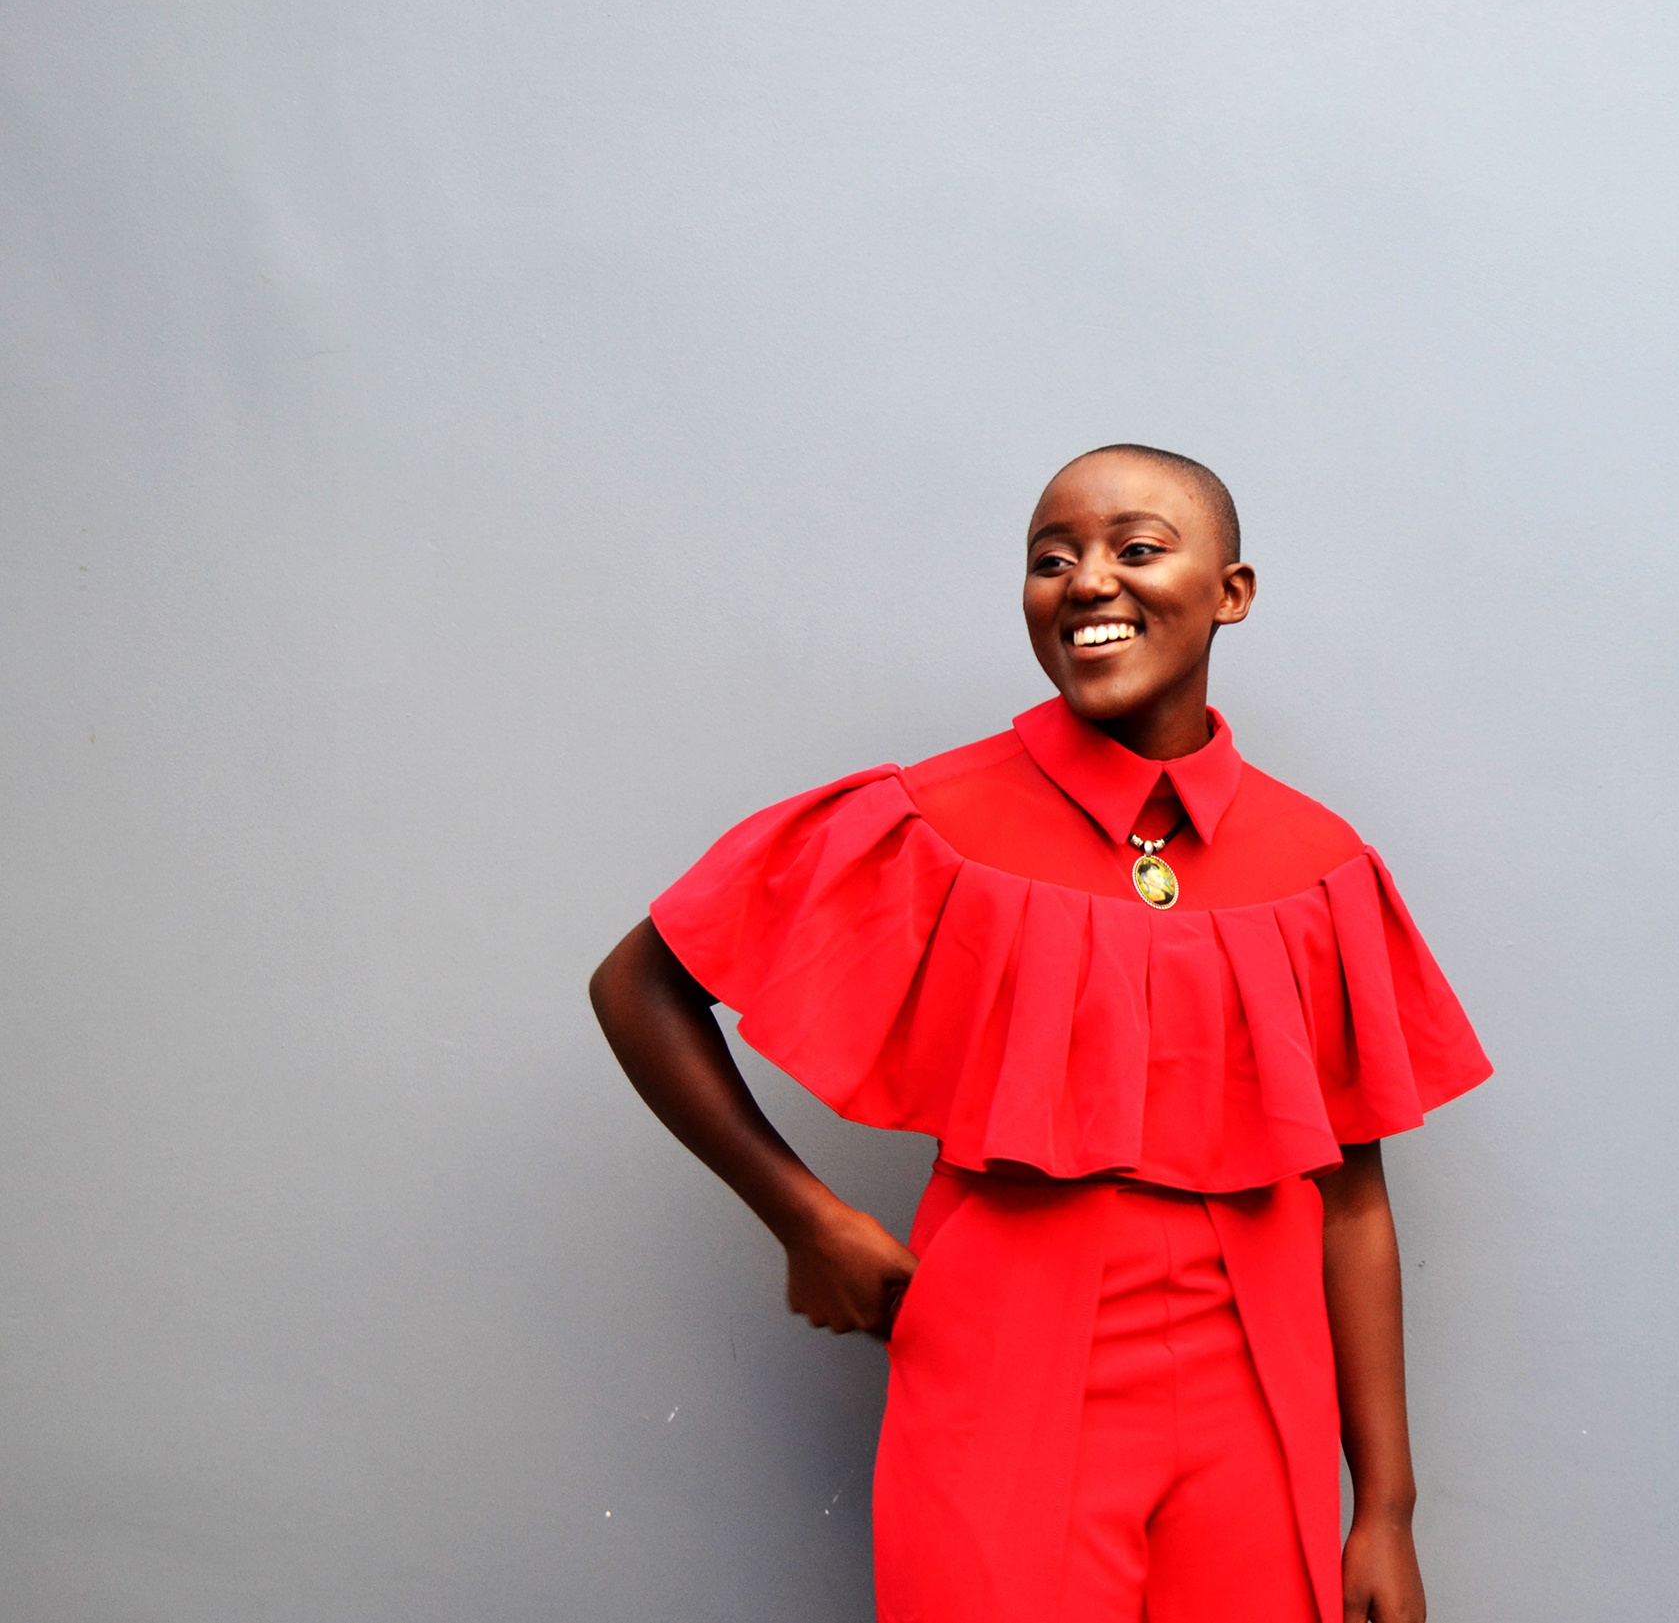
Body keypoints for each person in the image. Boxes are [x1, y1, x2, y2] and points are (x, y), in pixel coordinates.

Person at [589, 445, 1491, 1623]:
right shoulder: (931, 821)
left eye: (1137, 547)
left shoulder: (1318, 865)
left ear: (1233, 590)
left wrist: (1384, 1508)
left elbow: (1354, 1197)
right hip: (1001, 1369)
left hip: (1256, 1392)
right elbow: (639, 984)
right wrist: (805, 1216)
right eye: (1049, 560)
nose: (1086, 581)